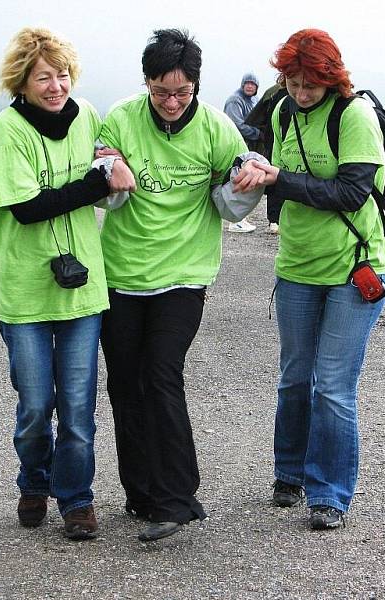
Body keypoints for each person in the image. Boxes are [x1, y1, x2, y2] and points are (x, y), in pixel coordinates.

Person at [97, 28, 267, 542]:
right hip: (122, 275)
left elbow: (235, 192)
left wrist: (247, 181)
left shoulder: (217, 129)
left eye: (182, 92)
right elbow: (105, 191)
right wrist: (109, 170)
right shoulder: (121, 118)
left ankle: (176, 498)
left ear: (196, 84)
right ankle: (140, 493)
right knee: (125, 383)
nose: (171, 102)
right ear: (146, 83)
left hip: (184, 277)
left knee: (161, 372)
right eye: (160, 91)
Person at [0, 27, 135, 540]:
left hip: (82, 287)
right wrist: (96, 181)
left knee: (77, 404)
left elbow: (110, 156)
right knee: (34, 405)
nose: (55, 85)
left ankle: (77, 499)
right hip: (24, 287)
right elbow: (26, 208)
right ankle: (32, 479)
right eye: (43, 77)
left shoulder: (86, 115)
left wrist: (115, 162)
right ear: (21, 82)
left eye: (62, 74)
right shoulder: (6, 130)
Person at [252, 29, 385, 530]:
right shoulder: (282, 111)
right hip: (297, 265)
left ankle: (329, 493)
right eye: (292, 81)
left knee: (332, 386)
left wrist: (278, 180)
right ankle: (288, 474)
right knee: (294, 377)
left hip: (356, 265)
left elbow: (352, 192)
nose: (302, 91)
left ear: (332, 77)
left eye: (311, 82)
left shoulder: (354, 116)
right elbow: (266, 158)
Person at [244, 83, 289, 234]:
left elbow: (254, 118)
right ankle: (274, 220)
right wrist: (263, 134)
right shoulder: (274, 93)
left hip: (280, 141)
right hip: (275, 142)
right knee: (275, 177)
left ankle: (277, 220)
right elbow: (254, 118)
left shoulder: (273, 92)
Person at [223, 72, 261, 233]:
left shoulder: (253, 100)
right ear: (242, 84)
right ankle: (234, 221)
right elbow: (236, 125)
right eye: (247, 83)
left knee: (245, 182)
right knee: (235, 180)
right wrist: (258, 134)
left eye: (253, 84)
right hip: (235, 145)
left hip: (248, 147)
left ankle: (240, 218)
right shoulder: (235, 100)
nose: (250, 86)